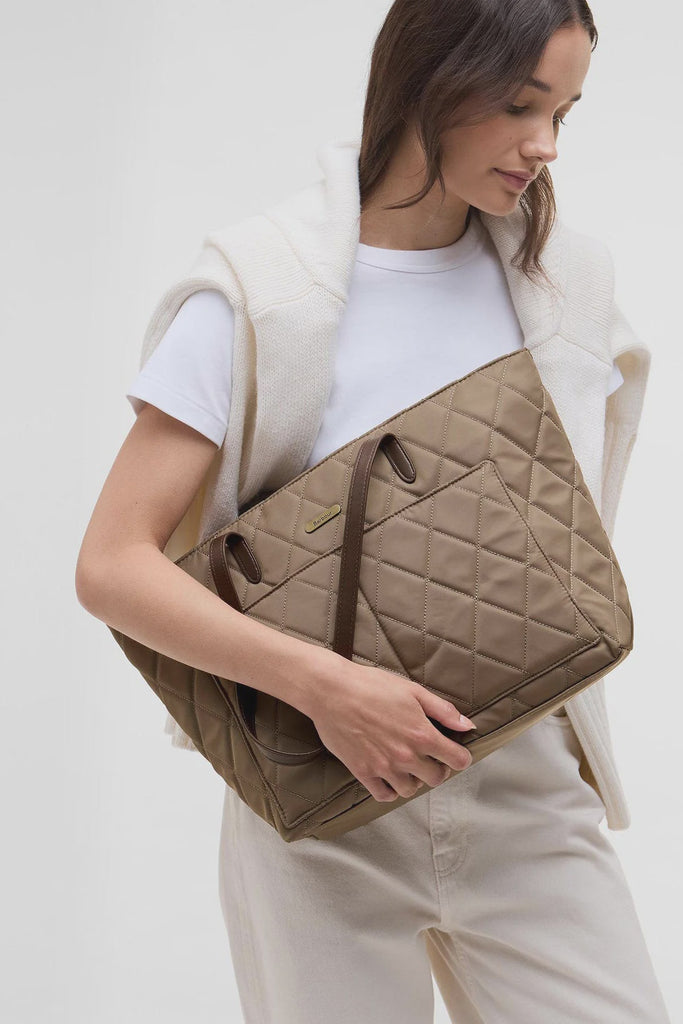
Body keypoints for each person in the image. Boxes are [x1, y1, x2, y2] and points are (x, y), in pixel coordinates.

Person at [75, 1, 671, 1021]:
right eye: (521, 104)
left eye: (565, 113)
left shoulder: (568, 279)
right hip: (321, 802)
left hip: (527, 786)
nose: (544, 145)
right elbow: (112, 564)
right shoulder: (263, 292)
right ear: (428, 79)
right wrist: (327, 687)